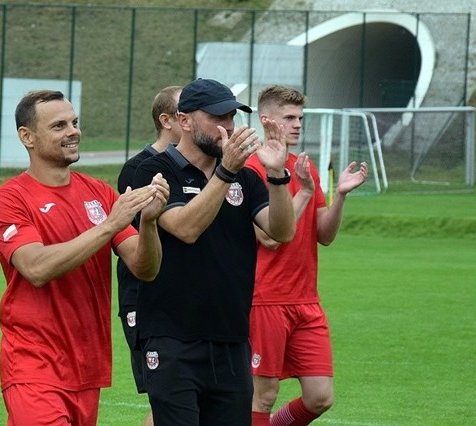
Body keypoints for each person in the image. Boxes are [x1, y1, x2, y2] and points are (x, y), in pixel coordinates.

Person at [0, 89, 169, 426]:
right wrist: (110, 225)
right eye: (59, 126)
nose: (73, 131)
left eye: (75, 122)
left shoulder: (98, 193)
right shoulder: (10, 199)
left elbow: (145, 268)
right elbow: (36, 267)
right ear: (27, 137)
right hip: (33, 362)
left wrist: (149, 222)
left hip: (86, 364)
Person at [131, 78, 296, 425]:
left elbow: (282, 231)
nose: (228, 128)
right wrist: (226, 171)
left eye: (231, 118)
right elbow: (186, 228)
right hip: (172, 338)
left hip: (232, 339)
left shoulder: (246, 180)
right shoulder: (155, 170)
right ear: (185, 121)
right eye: (217, 118)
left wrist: (278, 175)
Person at [246, 85, 368, 426]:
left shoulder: (304, 168)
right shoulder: (252, 170)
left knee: (320, 396)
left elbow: (324, 235)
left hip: (306, 301)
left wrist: (340, 195)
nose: (298, 124)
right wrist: (304, 193)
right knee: (263, 394)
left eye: (300, 118)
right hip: (265, 298)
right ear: (266, 120)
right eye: (289, 117)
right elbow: (269, 238)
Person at [116, 85, 183, 426]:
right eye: (185, 110)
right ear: (167, 120)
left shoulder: (193, 168)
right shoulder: (138, 170)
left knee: (181, 399)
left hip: (182, 300)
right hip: (144, 298)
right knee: (165, 399)